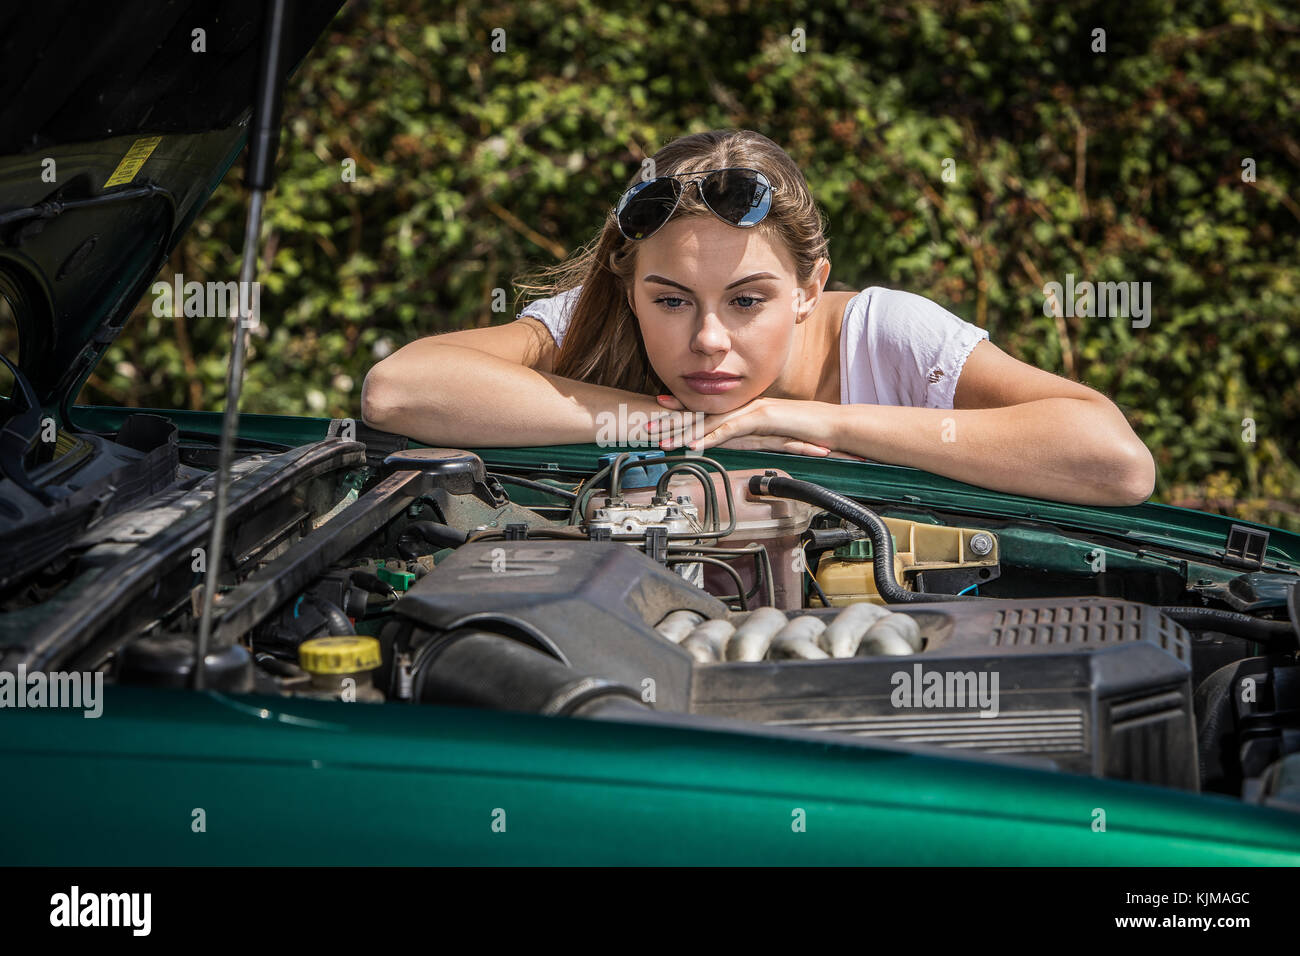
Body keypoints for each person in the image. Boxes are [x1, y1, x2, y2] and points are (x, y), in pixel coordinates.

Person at [362, 129, 1155, 506]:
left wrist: (812, 423)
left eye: (748, 300)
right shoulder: (598, 317)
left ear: (811, 288)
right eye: (670, 300)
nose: (707, 338)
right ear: (631, 285)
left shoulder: (887, 335)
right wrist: (671, 427)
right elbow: (399, 391)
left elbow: (1116, 463)